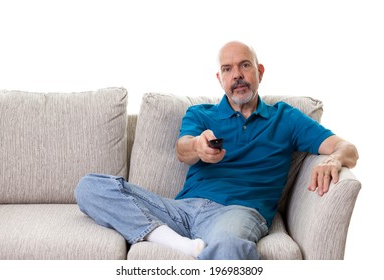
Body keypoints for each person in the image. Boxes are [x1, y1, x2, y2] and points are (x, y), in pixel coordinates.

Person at [74, 41, 359, 260]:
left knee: (229, 245)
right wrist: (198, 146)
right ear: (219, 78)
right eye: (227, 69)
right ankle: (179, 244)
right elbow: (183, 149)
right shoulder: (200, 114)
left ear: (259, 72)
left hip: (237, 212)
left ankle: (177, 242)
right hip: (181, 210)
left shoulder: (286, 118)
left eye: (244, 66)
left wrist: (334, 159)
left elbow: (347, 148)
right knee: (90, 187)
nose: (237, 75)